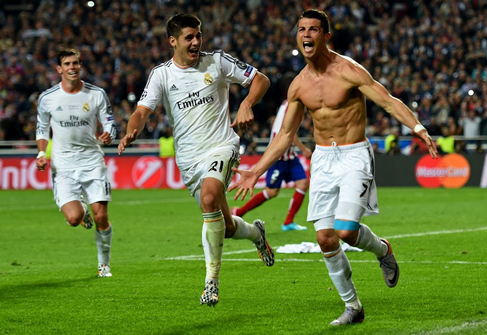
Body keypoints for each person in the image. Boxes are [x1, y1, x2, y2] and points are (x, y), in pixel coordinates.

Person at [231, 9, 438, 326]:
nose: (306, 35)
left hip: (354, 155)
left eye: (314, 29)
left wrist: (419, 128)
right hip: (323, 159)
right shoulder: (298, 86)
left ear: (326, 36)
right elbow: (286, 135)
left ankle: (382, 250)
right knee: (326, 238)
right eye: (302, 29)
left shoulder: (349, 70)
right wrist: (255, 171)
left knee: (345, 230)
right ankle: (353, 308)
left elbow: (387, 100)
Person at [117, 14, 274, 307]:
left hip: (221, 146)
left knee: (209, 197)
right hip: (189, 160)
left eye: (198, 36)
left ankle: (211, 283)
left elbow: (260, 80)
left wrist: (247, 102)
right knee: (225, 226)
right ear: (172, 41)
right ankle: (255, 233)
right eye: (189, 37)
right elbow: (141, 111)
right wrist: (131, 131)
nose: (196, 42)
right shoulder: (161, 74)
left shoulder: (216, 61)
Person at [36, 49, 116, 277]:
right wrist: (41, 154)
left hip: (92, 162)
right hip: (63, 166)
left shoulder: (96, 94)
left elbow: (109, 121)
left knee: (102, 217)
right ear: (59, 69)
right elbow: (42, 129)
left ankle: (104, 264)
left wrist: (109, 132)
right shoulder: (47, 98)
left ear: (80, 66)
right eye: (67, 64)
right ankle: (82, 210)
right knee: (73, 219)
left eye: (76, 63)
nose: (72, 67)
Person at [232, 99, 312, 231]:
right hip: (279, 154)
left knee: (303, 183)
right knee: (272, 191)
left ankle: (288, 222)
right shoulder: (292, 105)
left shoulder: (291, 103)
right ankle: (239, 211)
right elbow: (288, 132)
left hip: (290, 154)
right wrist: (303, 149)